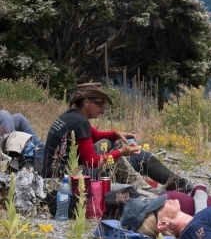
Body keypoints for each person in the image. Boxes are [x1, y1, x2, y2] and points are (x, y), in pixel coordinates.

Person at [42, 82, 193, 192]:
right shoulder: (80, 122)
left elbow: (95, 136)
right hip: (69, 178)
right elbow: (92, 162)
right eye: (99, 104)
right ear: (86, 102)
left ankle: (181, 185)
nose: (103, 108)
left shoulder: (71, 116)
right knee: (109, 145)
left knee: (140, 156)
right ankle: (149, 187)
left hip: (65, 173)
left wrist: (116, 134)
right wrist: (121, 152)